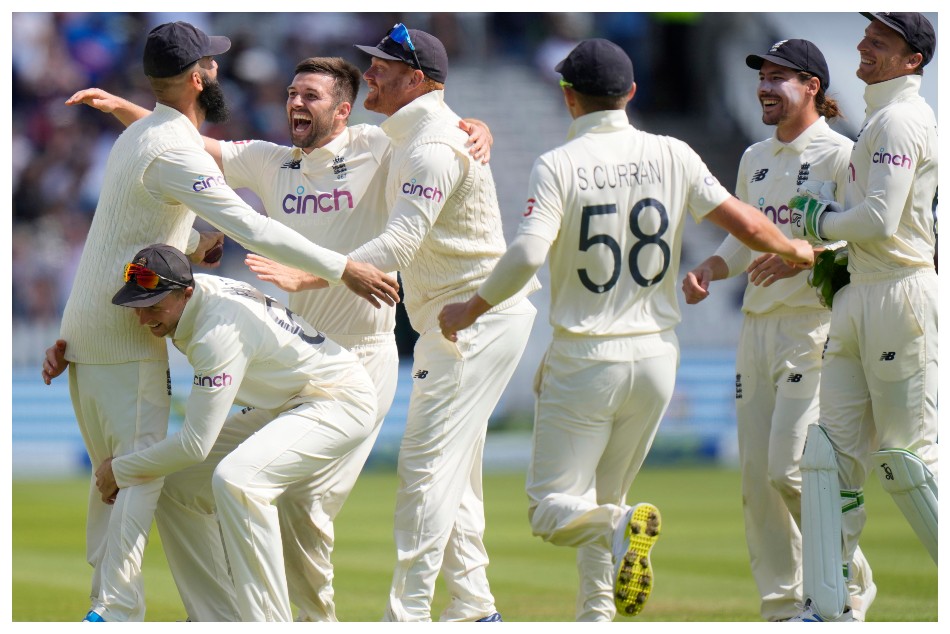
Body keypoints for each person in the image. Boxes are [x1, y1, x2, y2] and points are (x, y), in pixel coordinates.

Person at [66, 55, 493, 622]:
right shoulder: (269, 162)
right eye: (292, 93)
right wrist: (129, 110)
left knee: (303, 505)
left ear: (343, 110)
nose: (295, 102)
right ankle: (222, 618)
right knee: (178, 483)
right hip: (294, 362)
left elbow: (435, 137)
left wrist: (476, 128)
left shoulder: (377, 145)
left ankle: (320, 622)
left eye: (311, 96)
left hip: (361, 358)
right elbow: (185, 144)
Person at [438, 39, 814, 621]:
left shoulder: (558, 164)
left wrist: (471, 307)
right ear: (631, 93)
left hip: (587, 356)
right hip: (658, 357)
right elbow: (745, 223)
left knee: (552, 510)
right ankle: (598, 615)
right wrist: (795, 248)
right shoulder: (674, 153)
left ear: (568, 98)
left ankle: (619, 527)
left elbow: (526, 254)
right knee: (602, 496)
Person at [47, 244, 378, 621]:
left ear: (185, 293)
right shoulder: (192, 293)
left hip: (338, 400)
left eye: (153, 307)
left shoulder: (216, 333)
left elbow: (194, 444)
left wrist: (119, 470)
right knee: (175, 485)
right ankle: (217, 618)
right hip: (290, 400)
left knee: (238, 482)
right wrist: (68, 350)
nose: (143, 320)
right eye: (139, 306)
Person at [348, 24, 540, 622]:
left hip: (469, 320)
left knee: (425, 467)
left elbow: (402, 242)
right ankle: (475, 608)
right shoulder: (412, 133)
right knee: (452, 469)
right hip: (463, 320)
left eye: (383, 65)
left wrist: (318, 270)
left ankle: (407, 616)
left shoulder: (431, 145)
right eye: (372, 62)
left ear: (418, 80)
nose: (370, 73)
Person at [680, 39, 875, 621]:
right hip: (756, 330)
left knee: (791, 469)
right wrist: (710, 269)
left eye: (779, 77)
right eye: (762, 77)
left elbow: (863, 241)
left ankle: (849, 583)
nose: (764, 87)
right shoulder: (754, 157)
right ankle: (783, 609)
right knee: (757, 482)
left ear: (813, 85)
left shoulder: (842, 156)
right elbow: (743, 237)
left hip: (814, 327)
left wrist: (805, 255)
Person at [789, 13, 937, 622]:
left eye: (882, 42)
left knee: (910, 462)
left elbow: (879, 219)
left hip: (901, 293)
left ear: (912, 62)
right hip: (860, 295)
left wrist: (817, 220)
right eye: (867, 37)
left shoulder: (901, 119)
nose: (864, 46)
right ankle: (831, 606)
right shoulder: (881, 116)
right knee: (829, 458)